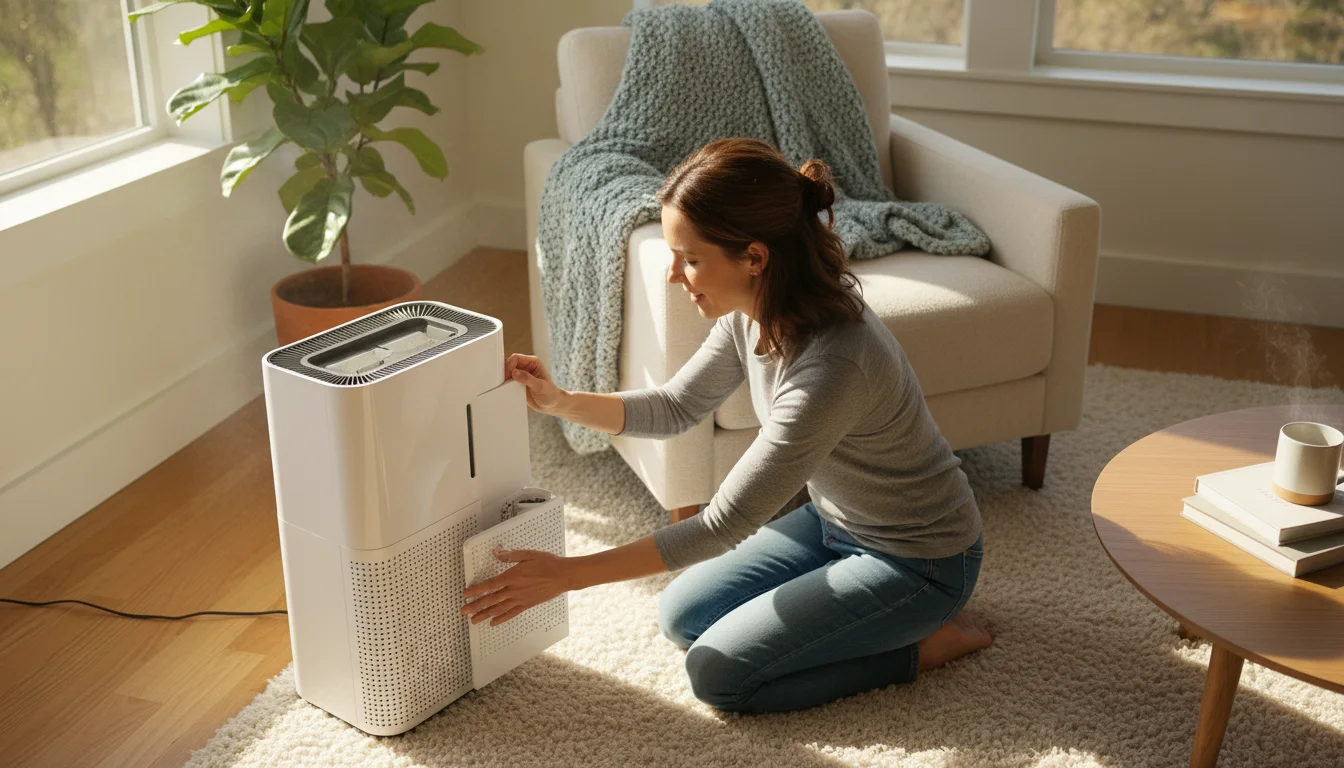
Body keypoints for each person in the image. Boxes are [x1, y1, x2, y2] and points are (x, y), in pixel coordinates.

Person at [462, 137, 993, 713]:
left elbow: (719, 526)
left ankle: (928, 642)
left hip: (917, 559)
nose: (674, 276)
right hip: (833, 524)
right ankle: (865, 618)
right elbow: (675, 406)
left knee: (718, 675)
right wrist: (560, 400)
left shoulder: (832, 368)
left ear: (755, 257)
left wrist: (567, 575)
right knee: (682, 616)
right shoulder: (755, 315)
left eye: (690, 259)